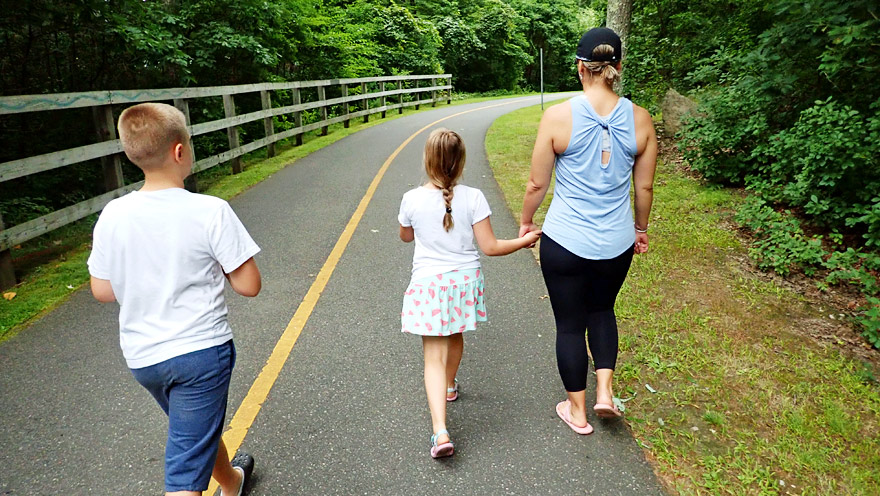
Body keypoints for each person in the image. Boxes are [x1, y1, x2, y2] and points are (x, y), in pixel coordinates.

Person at [87, 102, 262, 495]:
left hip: (144, 357)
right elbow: (249, 285)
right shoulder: (210, 210)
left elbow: (102, 290)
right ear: (180, 151)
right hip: (200, 352)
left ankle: (232, 482)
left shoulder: (113, 214)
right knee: (184, 471)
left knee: (193, 430)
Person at [520, 27, 658, 435]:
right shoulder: (640, 119)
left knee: (569, 324)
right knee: (602, 310)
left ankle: (577, 412)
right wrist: (641, 228)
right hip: (616, 242)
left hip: (565, 241)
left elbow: (536, 183)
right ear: (618, 67)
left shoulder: (558, 116)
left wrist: (527, 221)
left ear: (581, 67)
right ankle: (604, 392)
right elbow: (645, 187)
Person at [398, 128, 542, 457]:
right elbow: (490, 247)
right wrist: (524, 241)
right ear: (461, 162)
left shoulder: (411, 199)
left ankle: (440, 432)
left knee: (433, 357)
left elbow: (406, 236)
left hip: (429, 284)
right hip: (464, 282)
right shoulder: (474, 197)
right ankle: (450, 384)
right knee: (455, 333)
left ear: (427, 160)